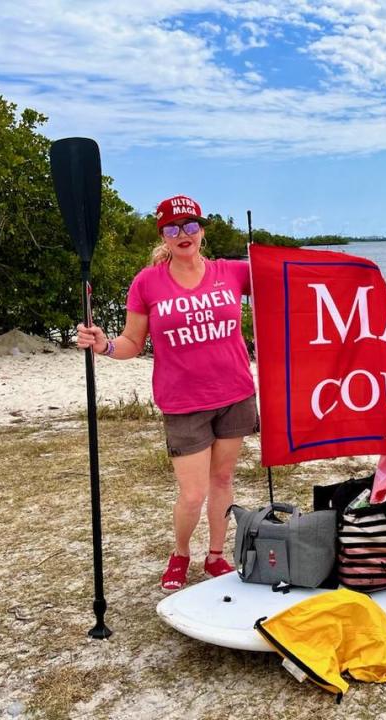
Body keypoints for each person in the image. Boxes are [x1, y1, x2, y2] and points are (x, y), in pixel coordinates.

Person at [76, 195, 257, 593]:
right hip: (184, 403)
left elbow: (288, 281)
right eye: (173, 228)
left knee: (223, 479)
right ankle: (180, 553)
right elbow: (131, 343)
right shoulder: (148, 282)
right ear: (163, 234)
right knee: (193, 493)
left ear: (203, 230)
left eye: (190, 225)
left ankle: (215, 555)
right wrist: (104, 345)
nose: (183, 234)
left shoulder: (232, 272)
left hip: (236, 393)